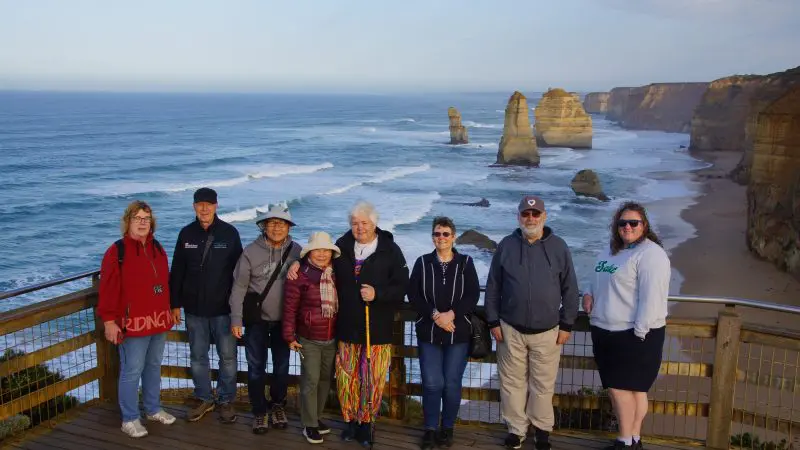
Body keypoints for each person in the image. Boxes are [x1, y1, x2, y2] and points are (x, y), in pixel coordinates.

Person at [290, 201, 408, 445]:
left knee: (372, 380)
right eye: (355, 223)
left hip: (376, 330)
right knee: (347, 379)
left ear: (374, 224)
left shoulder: (390, 250)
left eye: (364, 223)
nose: (359, 227)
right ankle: (351, 422)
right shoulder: (342, 247)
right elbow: (318, 262)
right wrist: (295, 263)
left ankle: (366, 424)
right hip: (346, 328)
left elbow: (402, 286)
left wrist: (378, 294)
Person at [485, 195, 579, 450]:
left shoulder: (559, 247)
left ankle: (542, 430)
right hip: (510, 329)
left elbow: (571, 288)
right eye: (526, 214)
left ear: (544, 216)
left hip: (548, 331)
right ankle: (516, 430)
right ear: (518, 217)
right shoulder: (506, 245)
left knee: (543, 384)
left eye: (535, 214)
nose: (530, 218)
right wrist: (493, 321)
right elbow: (493, 286)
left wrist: (567, 324)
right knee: (511, 383)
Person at [582, 202, 670, 450]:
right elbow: (595, 278)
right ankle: (634, 440)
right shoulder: (610, 251)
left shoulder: (651, 254)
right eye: (623, 223)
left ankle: (624, 440)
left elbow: (651, 298)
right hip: (605, 330)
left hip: (632, 334)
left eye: (634, 223)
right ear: (616, 226)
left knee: (620, 389)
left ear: (644, 225)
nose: (628, 227)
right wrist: (587, 294)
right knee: (633, 390)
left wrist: (639, 333)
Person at [98, 200, 176, 438]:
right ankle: (130, 418)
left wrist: (171, 307)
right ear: (128, 221)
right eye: (137, 218)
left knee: (153, 366)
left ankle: (152, 409)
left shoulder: (158, 247)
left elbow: (164, 282)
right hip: (132, 323)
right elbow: (108, 288)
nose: (142, 222)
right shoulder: (117, 251)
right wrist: (109, 321)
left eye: (146, 218)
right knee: (132, 370)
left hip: (158, 320)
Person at [169, 187, 243, 423]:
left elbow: (240, 274)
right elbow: (177, 271)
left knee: (228, 357)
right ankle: (204, 398)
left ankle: (226, 400)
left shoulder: (230, 233)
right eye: (199, 204)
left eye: (208, 204)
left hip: (223, 310)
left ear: (216, 206)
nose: (204, 208)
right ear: (194, 206)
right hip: (193, 310)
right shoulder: (186, 234)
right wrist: (174, 305)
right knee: (198, 356)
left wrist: (238, 311)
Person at [407, 217, 480, 449]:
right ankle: (430, 429)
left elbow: (472, 294)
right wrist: (436, 315)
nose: (441, 238)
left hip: (457, 332)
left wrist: (451, 315)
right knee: (431, 383)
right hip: (429, 331)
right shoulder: (422, 262)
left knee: (451, 383)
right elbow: (414, 293)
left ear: (454, 237)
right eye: (437, 234)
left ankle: (447, 428)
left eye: (446, 234)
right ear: (433, 237)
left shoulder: (466, 263)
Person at [229, 204, 301, 434]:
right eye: (272, 223)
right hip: (257, 320)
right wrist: (236, 320)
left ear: (289, 227)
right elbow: (238, 288)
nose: (277, 228)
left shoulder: (297, 250)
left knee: (282, 367)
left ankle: (278, 405)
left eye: (281, 223)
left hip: (285, 321)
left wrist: (302, 263)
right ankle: (260, 411)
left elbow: (317, 270)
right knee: (255, 368)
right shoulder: (250, 252)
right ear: (264, 227)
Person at [282, 232, 341, 444]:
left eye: (326, 250)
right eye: (318, 250)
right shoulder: (299, 275)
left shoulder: (335, 272)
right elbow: (289, 308)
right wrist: (289, 336)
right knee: (311, 380)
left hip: (332, 337)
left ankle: (317, 417)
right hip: (309, 338)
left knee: (325, 379)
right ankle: (309, 424)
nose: (322, 254)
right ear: (310, 253)